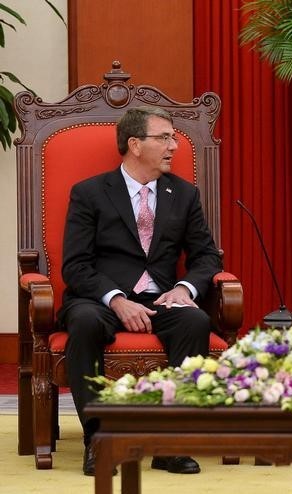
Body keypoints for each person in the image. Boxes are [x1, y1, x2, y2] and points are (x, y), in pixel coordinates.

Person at [59, 106, 222, 476]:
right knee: (83, 322)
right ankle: (98, 440)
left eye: (174, 137)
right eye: (164, 137)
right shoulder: (90, 193)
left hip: (161, 299)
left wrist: (184, 288)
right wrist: (117, 300)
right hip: (100, 299)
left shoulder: (183, 194)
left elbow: (206, 256)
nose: (174, 146)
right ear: (134, 144)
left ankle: (168, 443)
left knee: (194, 321)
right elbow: (75, 266)